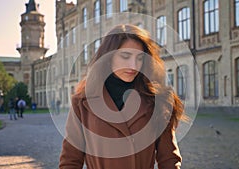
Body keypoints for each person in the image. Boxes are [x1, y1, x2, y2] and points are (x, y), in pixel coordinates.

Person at [59, 24, 186, 169]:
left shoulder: (158, 99)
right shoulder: (82, 102)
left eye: (139, 58)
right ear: (108, 57)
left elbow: (169, 159)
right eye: (125, 56)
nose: (133, 65)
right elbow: (70, 160)